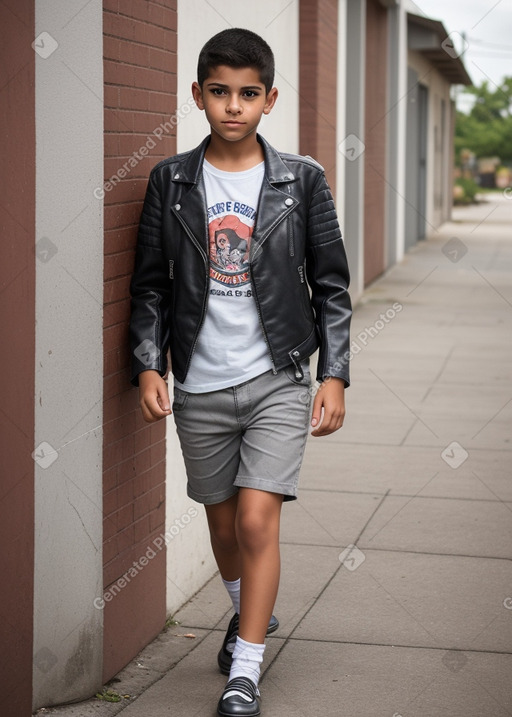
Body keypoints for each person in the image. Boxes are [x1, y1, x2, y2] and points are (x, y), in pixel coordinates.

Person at [129, 27, 352, 717]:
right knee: (222, 525)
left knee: (257, 522)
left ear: (270, 99)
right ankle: (246, 610)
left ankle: (245, 670)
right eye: (220, 92)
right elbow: (151, 287)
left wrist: (334, 373)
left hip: (277, 376)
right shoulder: (171, 180)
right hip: (198, 380)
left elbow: (331, 285)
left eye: (248, 94)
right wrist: (146, 365)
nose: (234, 106)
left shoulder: (301, 179)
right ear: (197, 95)